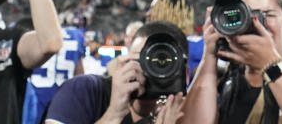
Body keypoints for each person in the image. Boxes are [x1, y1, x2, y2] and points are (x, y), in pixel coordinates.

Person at [181, 0, 282, 124]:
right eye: (249, 15)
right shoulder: (221, 77)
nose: (258, 23)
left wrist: (270, 63)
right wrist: (209, 56)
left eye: (269, 15)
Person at [44, 21, 187, 124]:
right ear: (124, 62)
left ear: (184, 75)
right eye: (143, 61)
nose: (150, 73)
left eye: (163, 65)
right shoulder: (85, 90)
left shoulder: (188, 113)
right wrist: (113, 114)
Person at [22, 21, 87, 124]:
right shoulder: (76, 35)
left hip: (34, 97)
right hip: (64, 101)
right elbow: (80, 76)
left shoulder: (28, 28)